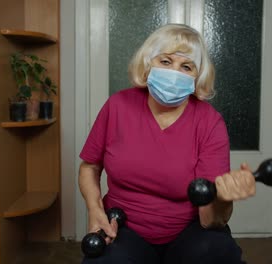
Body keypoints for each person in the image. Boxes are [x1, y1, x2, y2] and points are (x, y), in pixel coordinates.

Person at [79, 23, 256, 264]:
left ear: (197, 76)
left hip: (189, 232)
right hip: (124, 229)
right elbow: (89, 167)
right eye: (165, 61)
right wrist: (95, 210)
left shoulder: (209, 121)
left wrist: (224, 198)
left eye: (186, 66)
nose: (174, 72)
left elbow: (209, 219)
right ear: (148, 63)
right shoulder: (117, 106)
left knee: (218, 253)